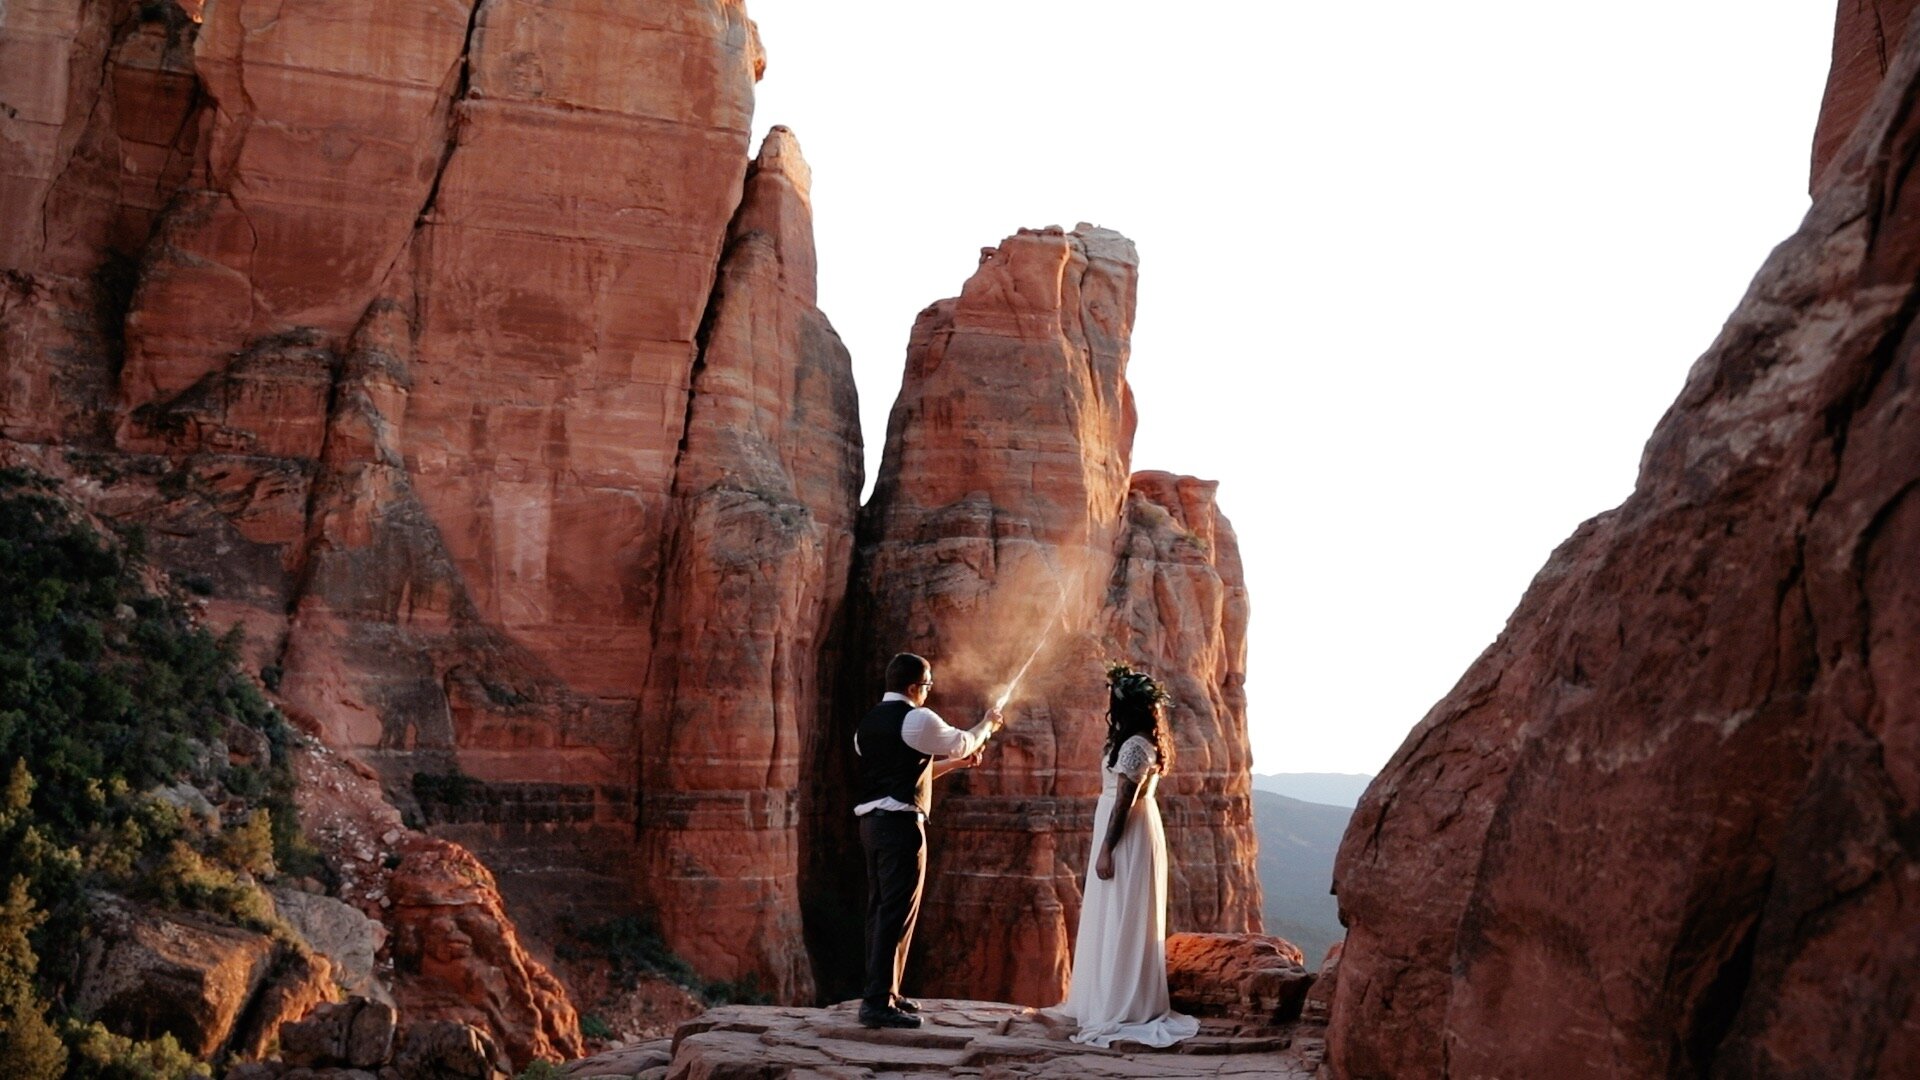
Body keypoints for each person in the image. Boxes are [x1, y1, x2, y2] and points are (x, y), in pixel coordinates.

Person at [854, 651, 1004, 1029]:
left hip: (873, 825)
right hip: (900, 827)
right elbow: (962, 741)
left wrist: (956, 765)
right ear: (912, 687)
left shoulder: (868, 724)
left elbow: (910, 773)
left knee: (881, 910)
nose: (928, 693)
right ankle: (876, 1004)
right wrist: (987, 724)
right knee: (896, 911)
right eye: (927, 686)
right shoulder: (916, 718)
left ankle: (885, 992)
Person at [1056, 663, 1199, 1048]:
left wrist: (1107, 848)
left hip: (1128, 833)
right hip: (1127, 827)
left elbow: (1124, 801)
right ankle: (1103, 997)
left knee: (1123, 911)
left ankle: (1120, 1004)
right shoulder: (1135, 741)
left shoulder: (1136, 746)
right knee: (1112, 911)